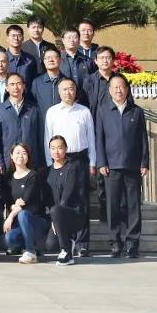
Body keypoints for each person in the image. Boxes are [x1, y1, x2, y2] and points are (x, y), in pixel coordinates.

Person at [95, 74, 150, 258]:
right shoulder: (103, 110)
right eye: (115, 87)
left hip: (133, 166)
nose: (119, 90)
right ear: (109, 90)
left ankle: (132, 243)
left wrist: (144, 162)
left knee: (133, 206)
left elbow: (143, 139)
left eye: (122, 87)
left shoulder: (137, 111)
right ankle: (115, 243)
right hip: (111, 167)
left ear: (127, 89)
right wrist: (101, 162)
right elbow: (99, 139)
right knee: (113, 206)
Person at [44, 77, 95, 256]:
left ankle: (82, 243)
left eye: (71, 88)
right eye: (64, 89)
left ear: (76, 90)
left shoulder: (84, 111)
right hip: (58, 160)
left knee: (81, 199)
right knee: (61, 199)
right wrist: (50, 162)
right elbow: (47, 138)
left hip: (80, 159)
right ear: (59, 92)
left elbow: (91, 138)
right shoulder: (52, 112)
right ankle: (65, 238)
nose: (68, 92)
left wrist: (93, 162)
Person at [3, 142, 49, 264]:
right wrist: (14, 205)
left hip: (36, 221)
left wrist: (10, 216)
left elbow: (25, 202)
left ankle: (30, 251)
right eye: (17, 153)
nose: (20, 156)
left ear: (28, 156)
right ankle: (28, 246)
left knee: (23, 214)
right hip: (20, 223)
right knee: (9, 238)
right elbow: (8, 201)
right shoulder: (8, 177)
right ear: (11, 156)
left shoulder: (33, 175)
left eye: (24, 153)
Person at [45, 135, 86, 265]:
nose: (56, 151)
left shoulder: (72, 167)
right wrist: (52, 217)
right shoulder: (48, 171)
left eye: (60, 148)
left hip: (74, 213)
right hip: (55, 215)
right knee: (50, 245)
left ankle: (66, 252)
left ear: (66, 149)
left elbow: (67, 197)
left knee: (56, 210)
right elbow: (47, 199)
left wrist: (55, 215)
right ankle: (69, 241)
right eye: (53, 148)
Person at [0, 74, 45, 172]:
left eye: (18, 84)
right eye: (12, 84)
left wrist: (41, 161)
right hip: (9, 162)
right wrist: (0, 162)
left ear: (24, 86)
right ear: (6, 88)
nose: (16, 87)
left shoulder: (34, 109)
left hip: (31, 161)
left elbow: (40, 137)